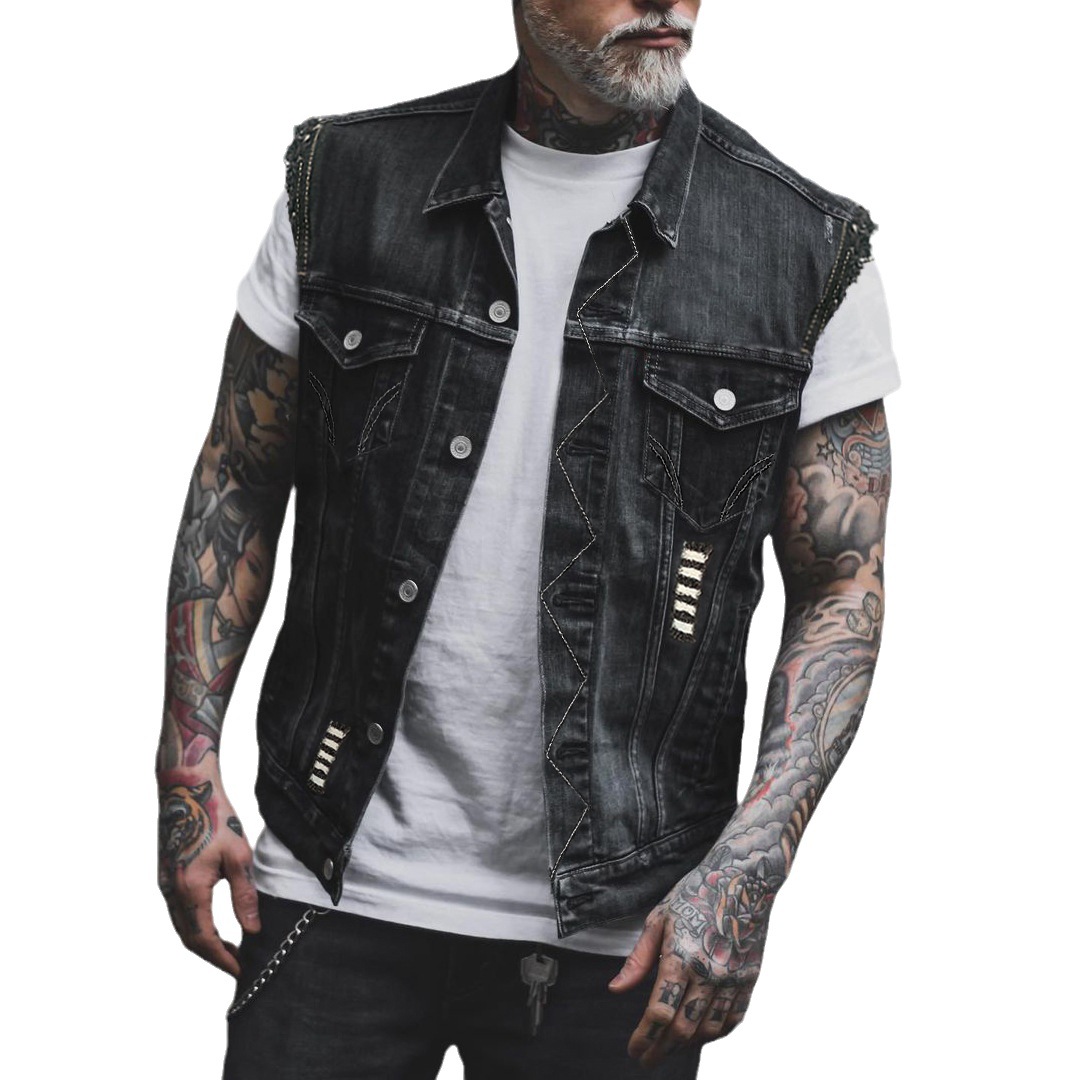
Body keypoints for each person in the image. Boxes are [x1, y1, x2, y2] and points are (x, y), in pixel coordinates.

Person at [156, 1, 900, 1076]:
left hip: (627, 934)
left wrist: (750, 864)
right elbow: (239, 474)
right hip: (332, 883)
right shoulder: (349, 185)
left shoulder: (802, 247)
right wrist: (188, 774)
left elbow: (841, 585)